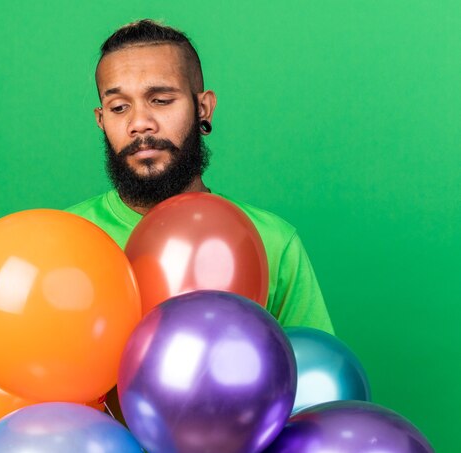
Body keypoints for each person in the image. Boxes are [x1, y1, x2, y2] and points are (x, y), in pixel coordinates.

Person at [66, 19, 333, 334]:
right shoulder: (68, 241)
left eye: (161, 100)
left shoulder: (271, 242)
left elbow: (310, 373)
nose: (139, 123)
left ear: (203, 107)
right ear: (101, 120)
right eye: (119, 107)